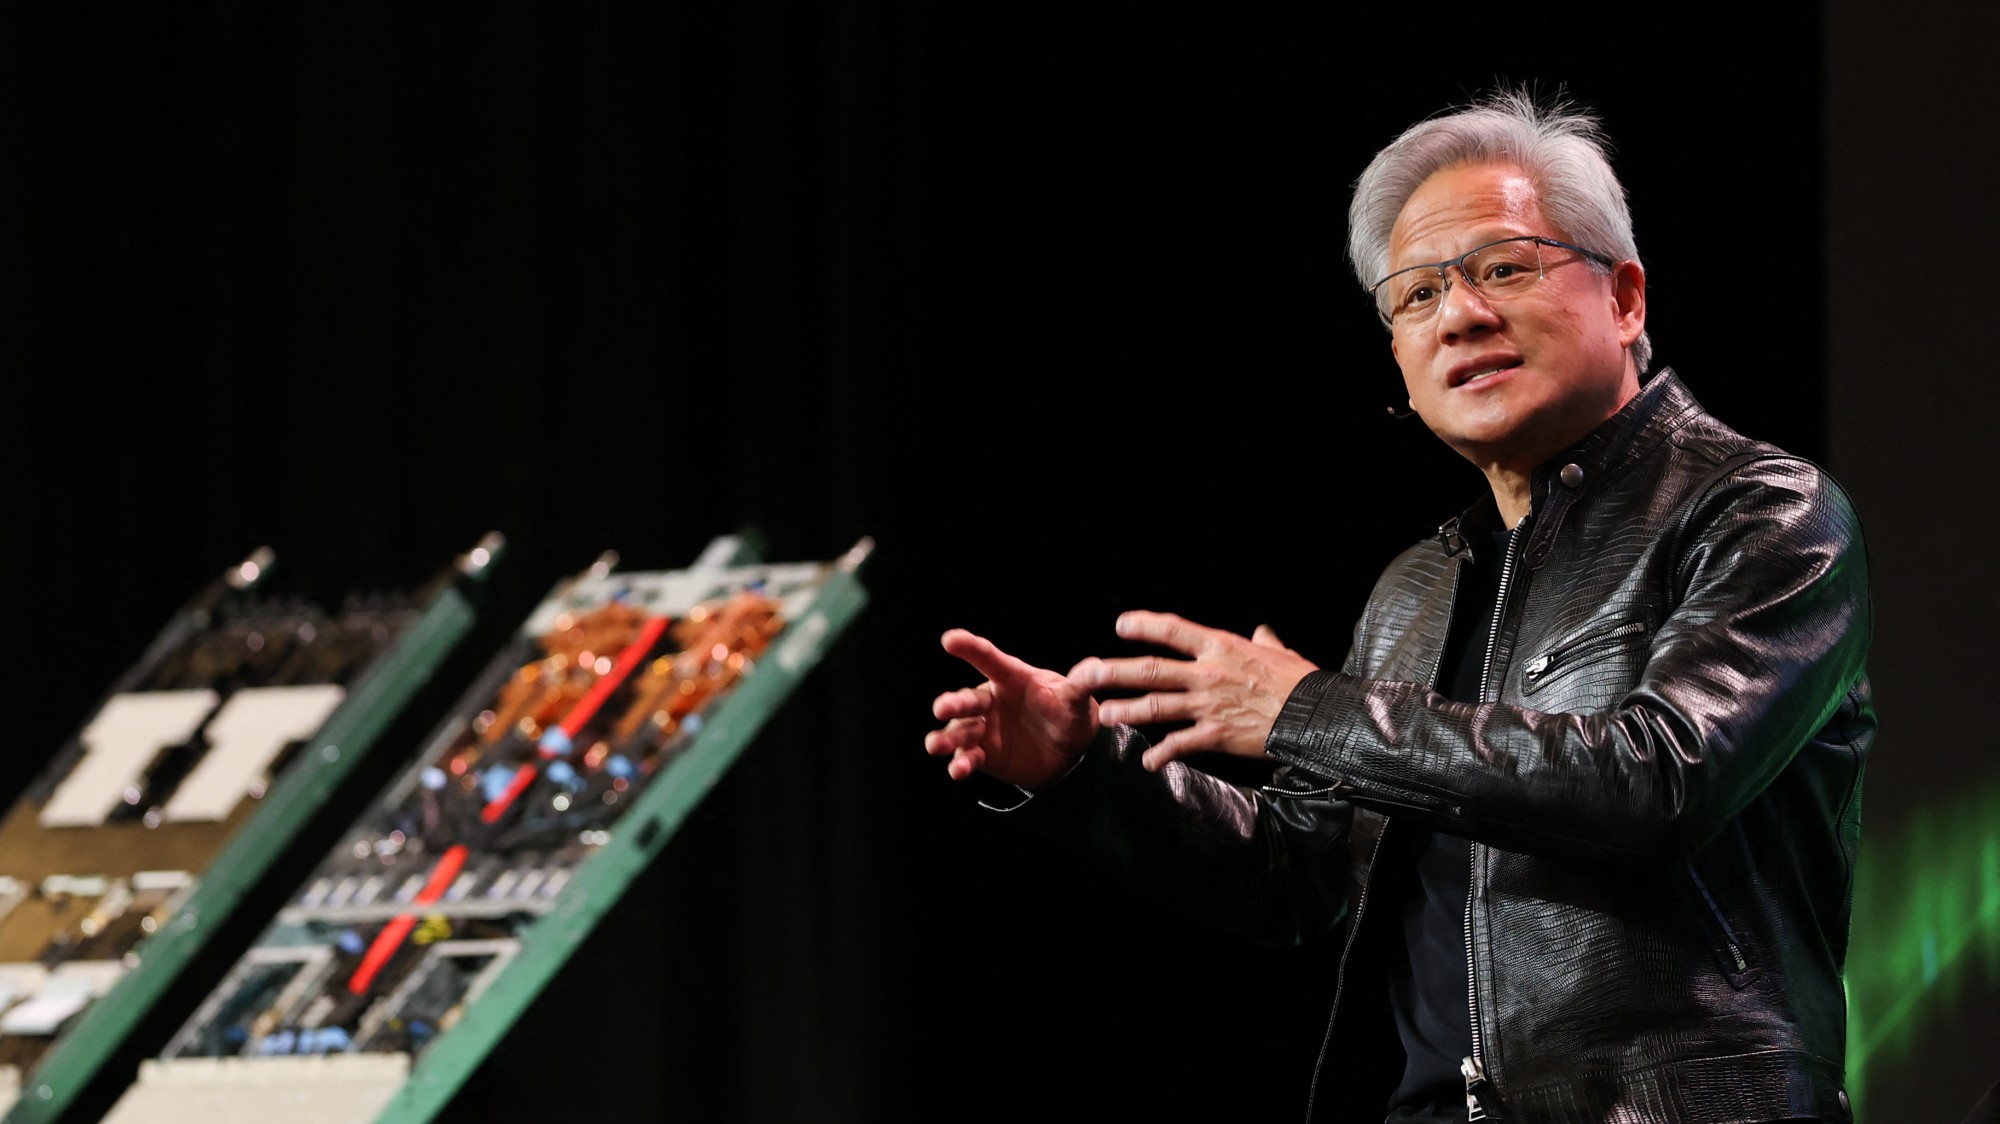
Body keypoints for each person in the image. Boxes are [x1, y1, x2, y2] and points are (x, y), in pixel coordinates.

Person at [923, 89, 1873, 1124]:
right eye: (1413, 296)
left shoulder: (1758, 510)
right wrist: (1084, 770)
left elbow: (1657, 778)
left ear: (1626, 297)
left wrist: (1310, 708)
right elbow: (1300, 873)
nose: (1457, 314)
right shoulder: (1414, 586)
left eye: (1502, 267)